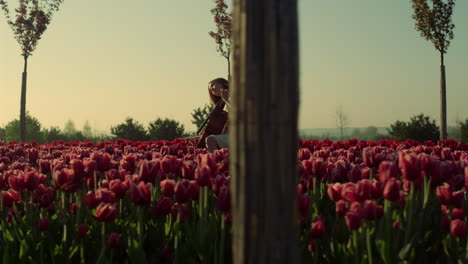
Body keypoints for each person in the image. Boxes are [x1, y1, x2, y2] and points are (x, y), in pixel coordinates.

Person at [205, 77, 231, 152]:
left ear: (223, 83)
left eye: (213, 85)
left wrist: (227, 100)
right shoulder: (222, 104)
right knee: (208, 140)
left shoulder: (234, 95)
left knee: (210, 140)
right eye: (210, 90)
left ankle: (216, 162)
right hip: (229, 134)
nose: (212, 89)